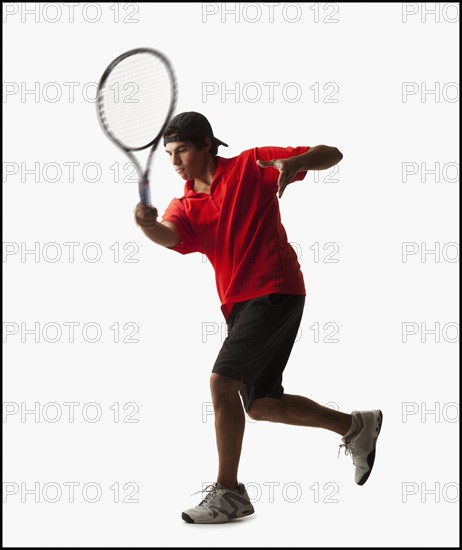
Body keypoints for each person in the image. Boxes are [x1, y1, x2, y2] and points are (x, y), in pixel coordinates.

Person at [134, 111, 382, 524]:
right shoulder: (186, 202)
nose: (175, 161)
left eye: (182, 151)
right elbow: (171, 235)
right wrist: (147, 226)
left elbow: (331, 153)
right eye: (170, 153)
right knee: (262, 405)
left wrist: (297, 162)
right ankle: (355, 426)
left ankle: (229, 493)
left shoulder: (251, 166)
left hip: (275, 288)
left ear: (207, 146)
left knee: (221, 382)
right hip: (240, 305)